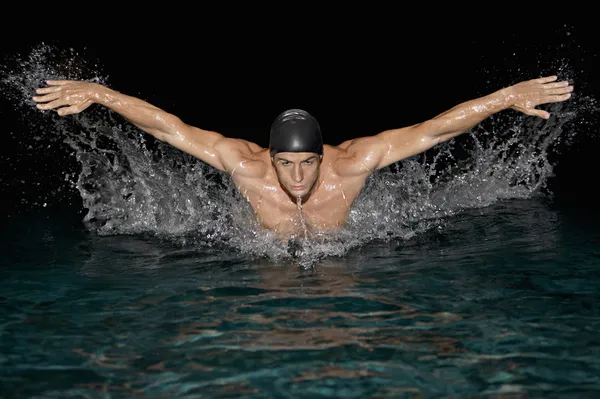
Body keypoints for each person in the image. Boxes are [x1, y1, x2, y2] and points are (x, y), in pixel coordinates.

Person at [32, 76, 573, 239]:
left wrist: (505, 98)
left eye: (307, 163)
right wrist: (100, 94)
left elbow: (435, 130)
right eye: (286, 164)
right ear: (269, 156)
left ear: (321, 156)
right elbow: (166, 127)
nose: (296, 176)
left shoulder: (352, 162)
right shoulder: (244, 163)